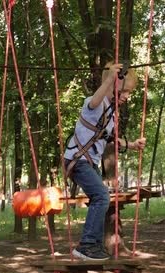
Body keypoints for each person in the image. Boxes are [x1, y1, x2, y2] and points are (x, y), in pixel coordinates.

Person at [64, 62, 146, 260]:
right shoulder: (96, 103)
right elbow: (95, 100)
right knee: (102, 196)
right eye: (124, 91)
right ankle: (87, 245)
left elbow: (108, 139)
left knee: (99, 198)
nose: (127, 96)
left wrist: (132, 145)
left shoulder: (110, 114)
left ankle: (94, 244)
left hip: (88, 163)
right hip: (77, 160)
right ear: (111, 86)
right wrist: (110, 78)